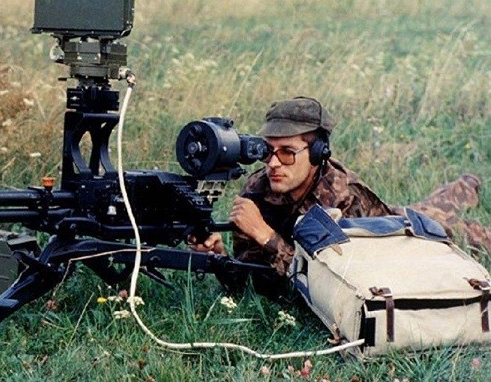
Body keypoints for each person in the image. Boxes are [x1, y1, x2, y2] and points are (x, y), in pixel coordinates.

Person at [192, 96, 491, 294]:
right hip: (389, 218)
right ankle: (465, 185)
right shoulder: (258, 189)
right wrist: (220, 258)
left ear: (317, 153)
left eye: (287, 153)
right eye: (267, 151)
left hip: (394, 231)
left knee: (449, 230)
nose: (273, 164)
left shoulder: (341, 198)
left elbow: (330, 285)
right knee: (430, 205)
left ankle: (467, 188)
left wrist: (265, 235)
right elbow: (255, 279)